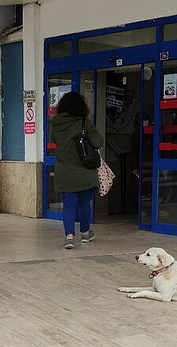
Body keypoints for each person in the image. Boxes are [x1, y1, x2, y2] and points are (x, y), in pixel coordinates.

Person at [51, 91, 104, 249]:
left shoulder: (56, 123)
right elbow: (98, 142)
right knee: (83, 204)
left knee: (68, 205)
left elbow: (54, 140)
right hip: (84, 172)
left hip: (64, 171)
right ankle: (86, 234)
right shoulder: (84, 122)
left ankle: (69, 237)